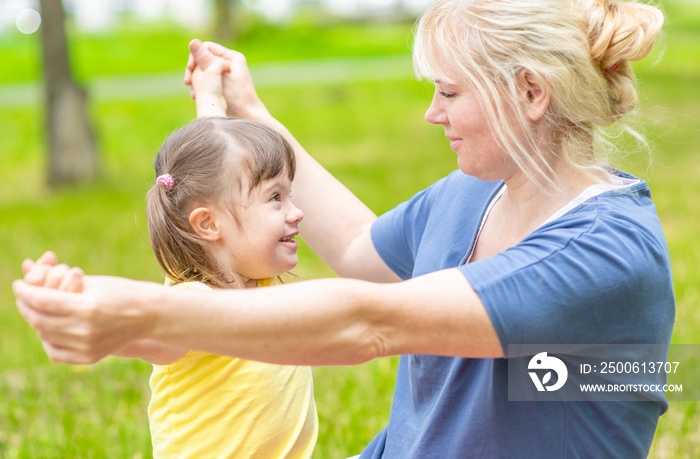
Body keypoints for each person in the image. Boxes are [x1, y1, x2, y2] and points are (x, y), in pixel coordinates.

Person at [15, 0, 674, 457]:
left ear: (531, 93)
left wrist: (142, 313)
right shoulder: (471, 192)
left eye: (448, 92)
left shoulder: (606, 252)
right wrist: (250, 114)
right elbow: (361, 250)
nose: (430, 114)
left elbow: (369, 321)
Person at [24, 59, 318, 458]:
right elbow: (144, 325)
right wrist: (80, 300)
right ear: (208, 224)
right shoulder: (196, 306)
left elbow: (217, 159)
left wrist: (211, 92)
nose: (296, 212)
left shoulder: (254, 275)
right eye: (275, 198)